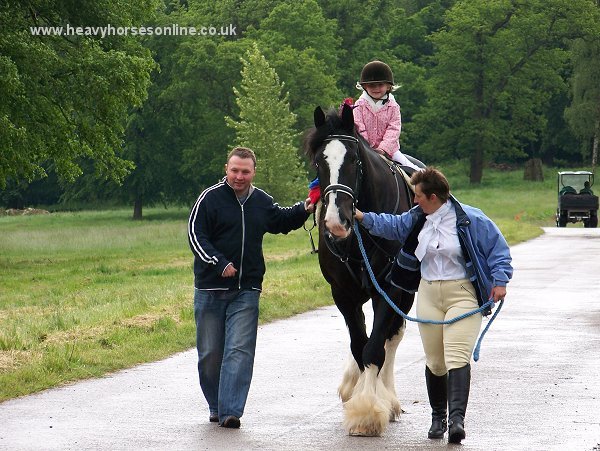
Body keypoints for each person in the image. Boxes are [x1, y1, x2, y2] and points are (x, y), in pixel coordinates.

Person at [354, 167, 513, 444]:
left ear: (433, 196)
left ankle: (457, 421)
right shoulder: (417, 218)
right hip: (428, 294)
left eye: (417, 195)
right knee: (436, 362)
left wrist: (500, 280)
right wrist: (361, 217)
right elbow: (391, 226)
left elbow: (498, 250)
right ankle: (438, 417)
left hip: (462, 293)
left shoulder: (471, 219)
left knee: (456, 356)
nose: (414, 201)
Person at [188, 146, 314, 428]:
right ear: (226, 169)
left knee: (239, 351)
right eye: (235, 170)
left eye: (245, 171)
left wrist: (304, 208)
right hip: (210, 290)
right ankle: (216, 405)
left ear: (253, 172)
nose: (239, 176)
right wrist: (218, 263)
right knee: (210, 355)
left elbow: (280, 220)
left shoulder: (261, 201)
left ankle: (231, 411)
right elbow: (196, 235)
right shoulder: (209, 199)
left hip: (247, 290)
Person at [353, 60, 420, 170]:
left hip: (390, 151)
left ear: (388, 86)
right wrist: (368, 148)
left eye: (380, 85)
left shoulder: (393, 106)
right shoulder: (359, 105)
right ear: (365, 86)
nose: (376, 88)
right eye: (372, 85)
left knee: (414, 171)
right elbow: (359, 128)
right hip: (364, 151)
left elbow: (394, 130)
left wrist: (383, 149)